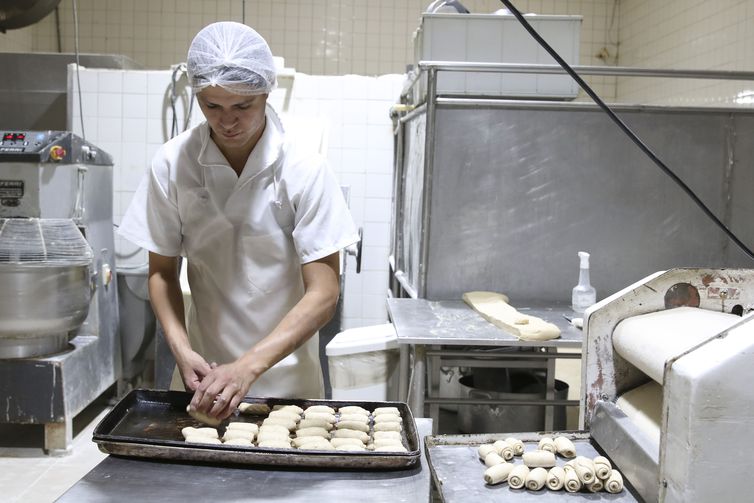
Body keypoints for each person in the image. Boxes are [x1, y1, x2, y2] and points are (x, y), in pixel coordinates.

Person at [118, 21, 359, 421]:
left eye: (242, 106)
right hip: (205, 383)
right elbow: (161, 271)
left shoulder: (304, 169)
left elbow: (324, 292)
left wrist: (248, 366)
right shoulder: (173, 164)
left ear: (266, 93)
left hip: (288, 386)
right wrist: (181, 350)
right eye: (213, 106)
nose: (227, 121)